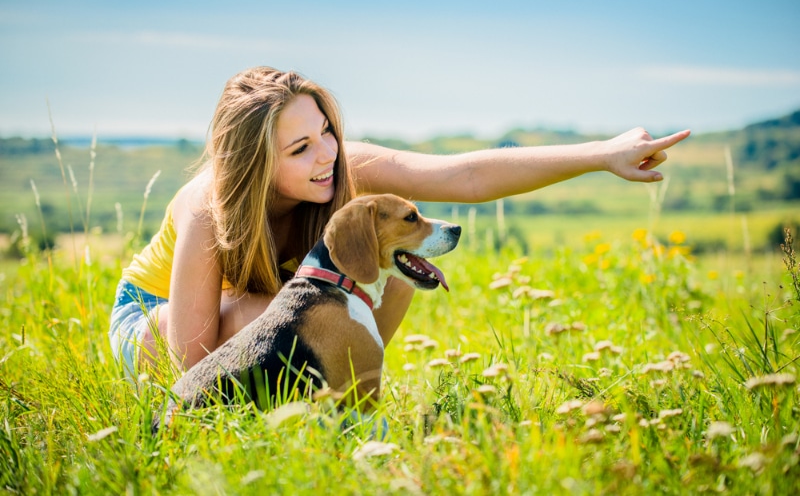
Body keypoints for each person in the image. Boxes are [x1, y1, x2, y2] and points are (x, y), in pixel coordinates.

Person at [109, 66, 690, 376]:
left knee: (397, 268)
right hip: (152, 320)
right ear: (254, 163)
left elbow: (466, 177)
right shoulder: (209, 209)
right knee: (271, 315)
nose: (327, 154)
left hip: (265, 305)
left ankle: (334, 394)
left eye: (326, 132)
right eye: (300, 149)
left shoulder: (340, 168)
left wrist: (600, 155)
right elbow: (191, 360)